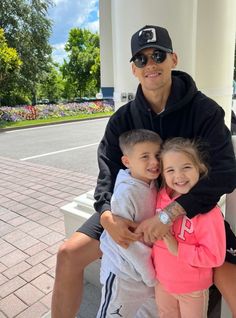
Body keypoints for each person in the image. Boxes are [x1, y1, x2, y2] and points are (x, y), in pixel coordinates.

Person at [51, 25, 236, 318]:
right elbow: (107, 171)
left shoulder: (205, 112)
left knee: (233, 284)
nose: (150, 64)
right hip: (133, 211)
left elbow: (226, 172)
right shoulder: (123, 119)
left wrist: (171, 213)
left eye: (158, 55)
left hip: (191, 212)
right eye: (141, 59)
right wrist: (106, 215)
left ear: (173, 59)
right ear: (134, 69)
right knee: (68, 254)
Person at [152, 137, 226, 318]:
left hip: (192, 289)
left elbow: (215, 256)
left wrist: (178, 249)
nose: (179, 176)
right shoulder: (159, 197)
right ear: (163, 173)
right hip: (162, 282)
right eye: (170, 170)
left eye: (186, 167)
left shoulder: (208, 212)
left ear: (199, 168)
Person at [97, 129, 162, 318]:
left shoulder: (151, 182)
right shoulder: (126, 194)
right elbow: (127, 242)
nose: (154, 162)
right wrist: (150, 275)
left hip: (145, 274)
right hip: (123, 276)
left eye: (157, 155)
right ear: (127, 161)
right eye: (145, 156)